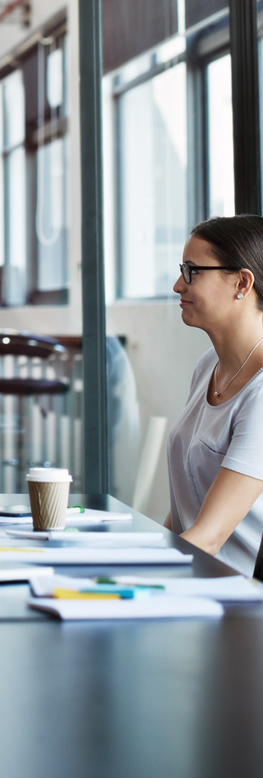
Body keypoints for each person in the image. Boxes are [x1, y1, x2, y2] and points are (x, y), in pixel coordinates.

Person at [167, 215, 263, 575]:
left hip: (237, 605)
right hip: (193, 579)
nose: (179, 285)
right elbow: (185, 517)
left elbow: (209, 537)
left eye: (192, 271)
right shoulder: (209, 366)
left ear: (242, 282)